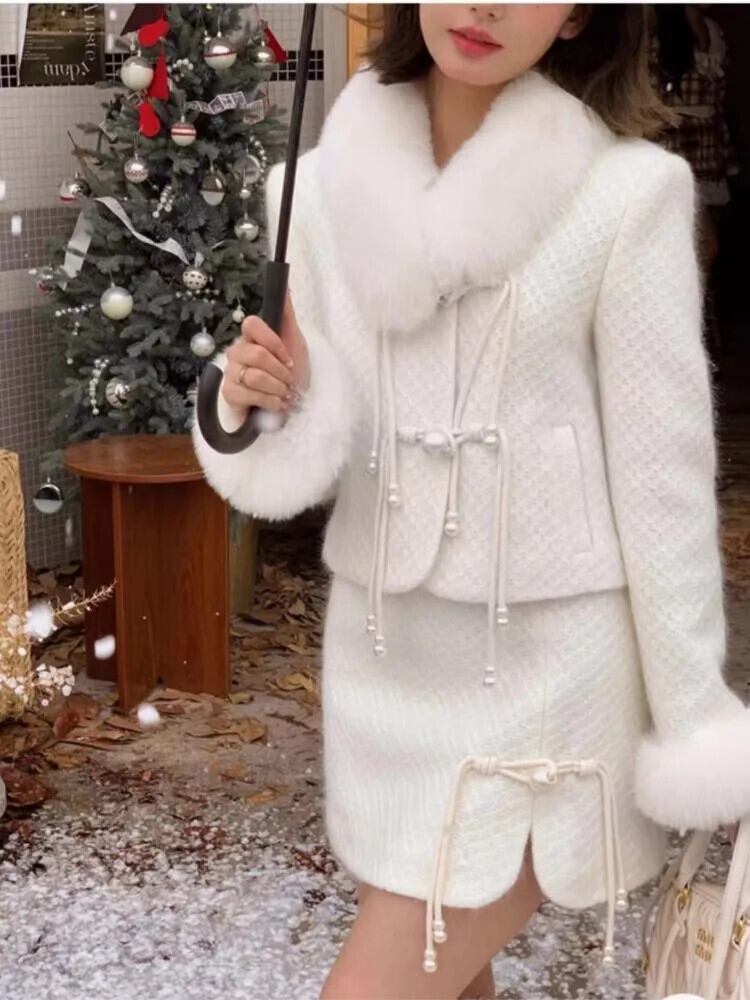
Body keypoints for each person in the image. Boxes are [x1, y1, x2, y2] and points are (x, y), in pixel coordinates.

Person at [192, 5, 750, 998]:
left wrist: (696, 722)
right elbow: (305, 450)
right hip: (387, 665)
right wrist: (255, 397)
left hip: (553, 679)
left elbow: (661, 482)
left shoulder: (628, 195)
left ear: (579, 15)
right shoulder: (315, 193)